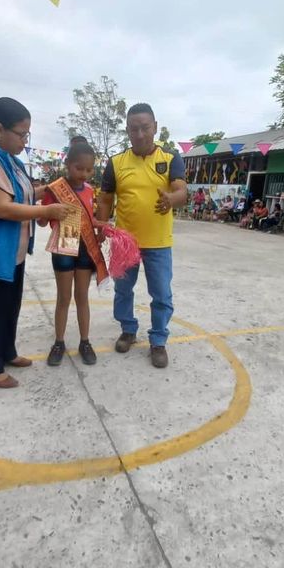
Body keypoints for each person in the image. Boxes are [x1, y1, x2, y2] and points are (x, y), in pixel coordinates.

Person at [0, 97, 69, 389]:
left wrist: (50, 189)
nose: (24, 141)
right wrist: (46, 211)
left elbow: (23, 194)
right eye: (21, 134)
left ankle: (7, 352)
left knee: (10, 305)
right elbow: (2, 207)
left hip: (11, 251)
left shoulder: (10, 160)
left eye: (27, 135)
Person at [96, 102, 187, 369]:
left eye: (145, 128)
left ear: (155, 127)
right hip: (124, 243)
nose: (139, 134)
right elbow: (106, 198)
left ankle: (158, 341)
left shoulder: (170, 158)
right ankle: (128, 329)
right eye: (133, 129)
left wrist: (171, 199)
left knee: (161, 294)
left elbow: (182, 191)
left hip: (159, 243)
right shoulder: (116, 162)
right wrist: (101, 226)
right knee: (123, 290)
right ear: (127, 130)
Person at [38, 139, 108, 367]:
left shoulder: (89, 190)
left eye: (89, 170)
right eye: (79, 168)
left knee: (82, 297)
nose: (84, 174)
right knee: (64, 297)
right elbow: (41, 220)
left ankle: (84, 342)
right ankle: (59, 342)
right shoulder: (55, 188)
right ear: (67, 164)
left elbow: (88, 217)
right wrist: (47, 211)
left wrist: (102, 226)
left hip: (85, 246)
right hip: (64, 241)